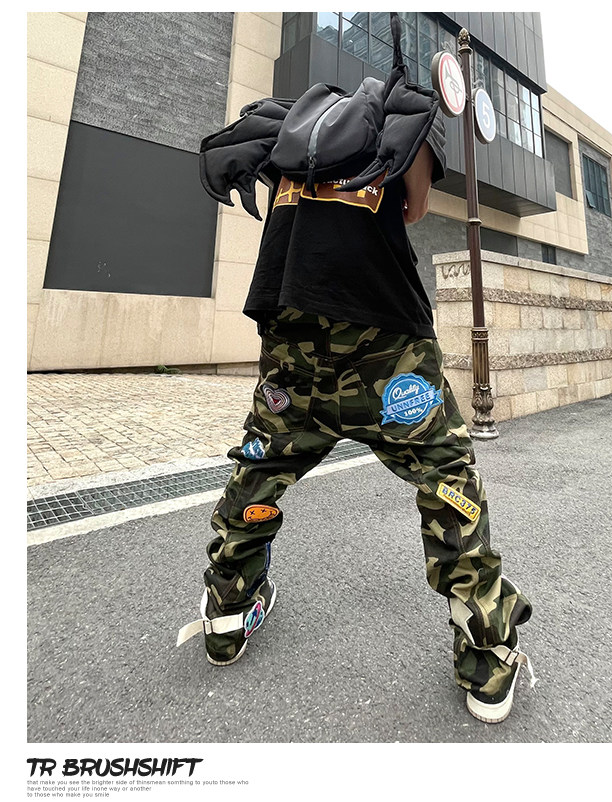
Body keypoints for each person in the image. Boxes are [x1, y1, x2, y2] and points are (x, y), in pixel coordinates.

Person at [177, 111, 535, 724]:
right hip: (388, 347)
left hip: (293, 339)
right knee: (445, 476)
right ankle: (486, 656)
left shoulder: (291, 133)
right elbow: (414, 209)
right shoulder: (405, 124)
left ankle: (228, 612)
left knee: (262, 465)